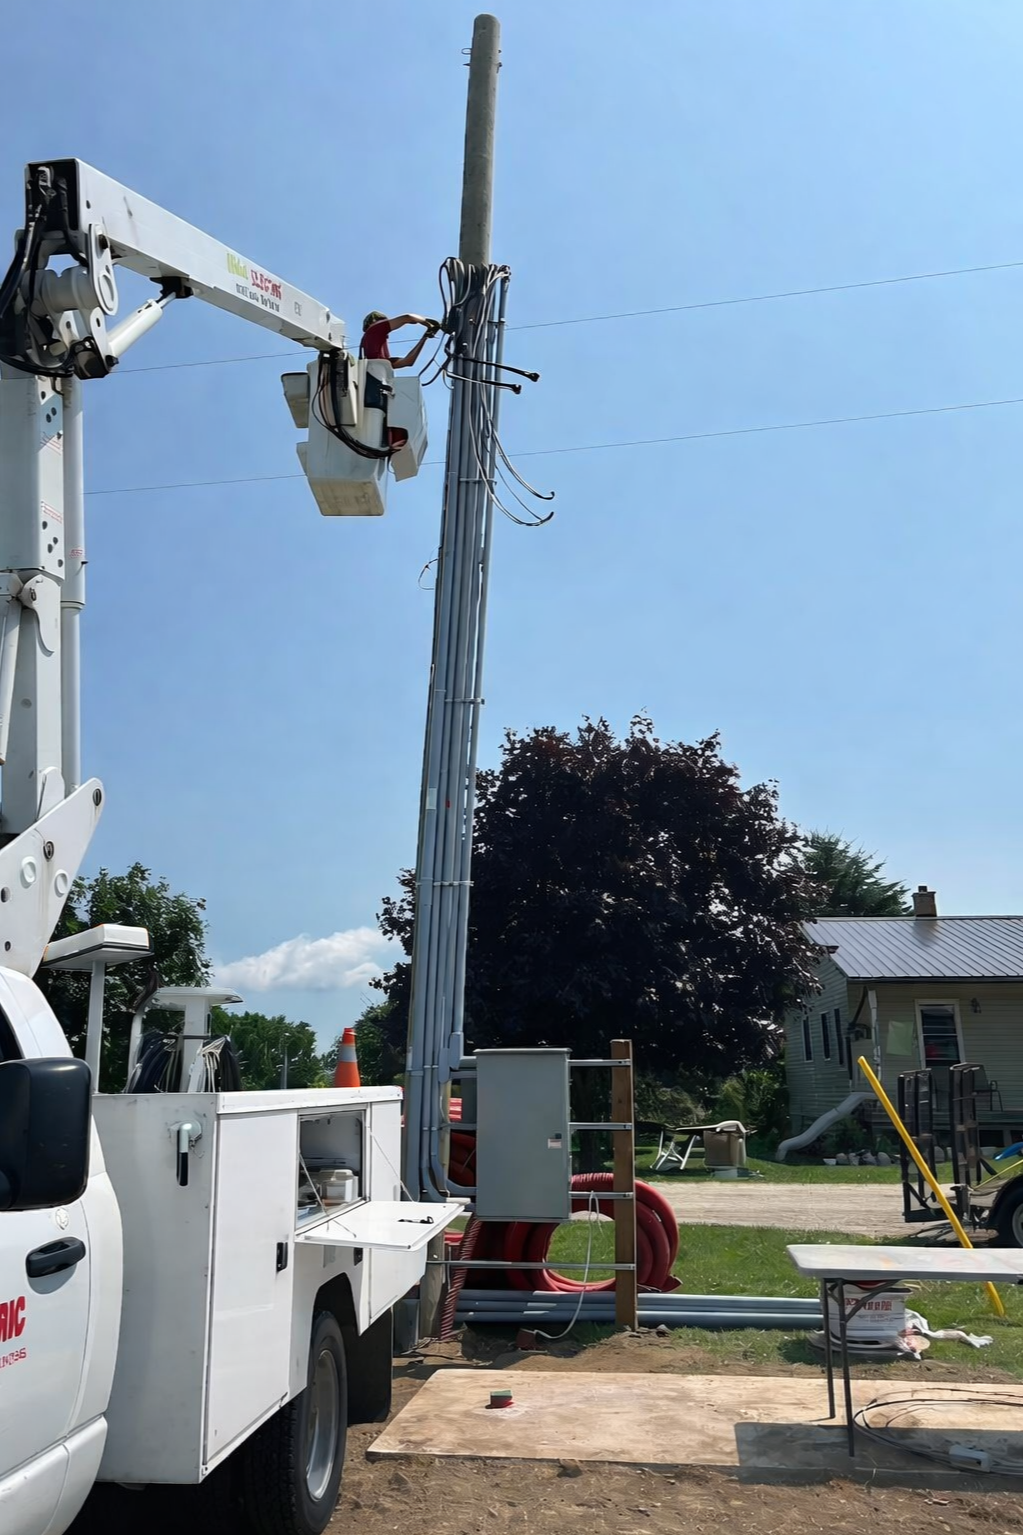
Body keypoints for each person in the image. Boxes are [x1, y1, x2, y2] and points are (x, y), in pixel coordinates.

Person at [360, 310, 440, 370]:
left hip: (378, 386)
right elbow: (408, 317)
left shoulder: (377, 357)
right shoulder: (374, 328)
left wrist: (425, 337)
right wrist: (428, 323)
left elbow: (408, 361)